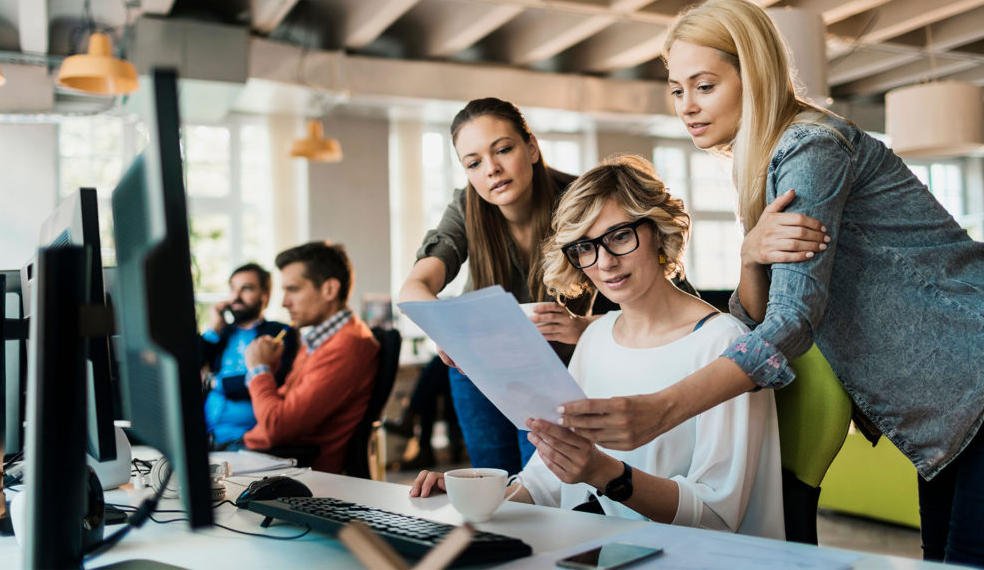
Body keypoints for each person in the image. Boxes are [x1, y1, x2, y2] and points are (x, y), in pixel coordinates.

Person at [557, 0, 984, 568]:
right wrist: (751, 256)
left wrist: (664, 408)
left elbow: (792, 323)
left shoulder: (811, 147)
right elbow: (752, 325)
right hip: (952, 404)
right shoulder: (760, 163)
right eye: (677, 89)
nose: (687, 106)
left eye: (704, 86)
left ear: (751, 75)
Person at [411, 156, 784, 539]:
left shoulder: (724, 344)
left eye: (620, 235)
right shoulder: (595, 338)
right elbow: (545, 481)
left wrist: (604, 473)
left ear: (658, 230)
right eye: (585, 247)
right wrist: (473, 498)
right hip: (589, 549)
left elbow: (717, 517)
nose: (604, 262)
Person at [398, 97, 593, 475]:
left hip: (557, 370)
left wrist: (583, 325)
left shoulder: (581, 199)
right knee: (494, 488)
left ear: (531, 148)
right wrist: (447, 329)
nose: (492, 169)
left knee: (546, 493)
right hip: (479, 368)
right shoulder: (466, 207)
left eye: (503, 149)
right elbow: (415, 286)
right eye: (474, 163)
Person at [242, 242, 380, 475]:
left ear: (329, 289)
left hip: (291, 470)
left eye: (293, 289)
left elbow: (277, 426)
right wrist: (270, 369)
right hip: (270, 458)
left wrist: (259, 369)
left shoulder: (346, 345)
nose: (284, 302)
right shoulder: (320, 339)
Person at [199, 263, 299, 450]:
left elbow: (268, 378)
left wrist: (215, 383)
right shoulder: (222, 333)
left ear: (265, 296)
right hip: (204, 438)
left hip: (245, 441)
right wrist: (213, 328)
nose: (236, 297)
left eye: (246, 288)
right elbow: (189, 364)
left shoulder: (278, 333)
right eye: (233, 289)